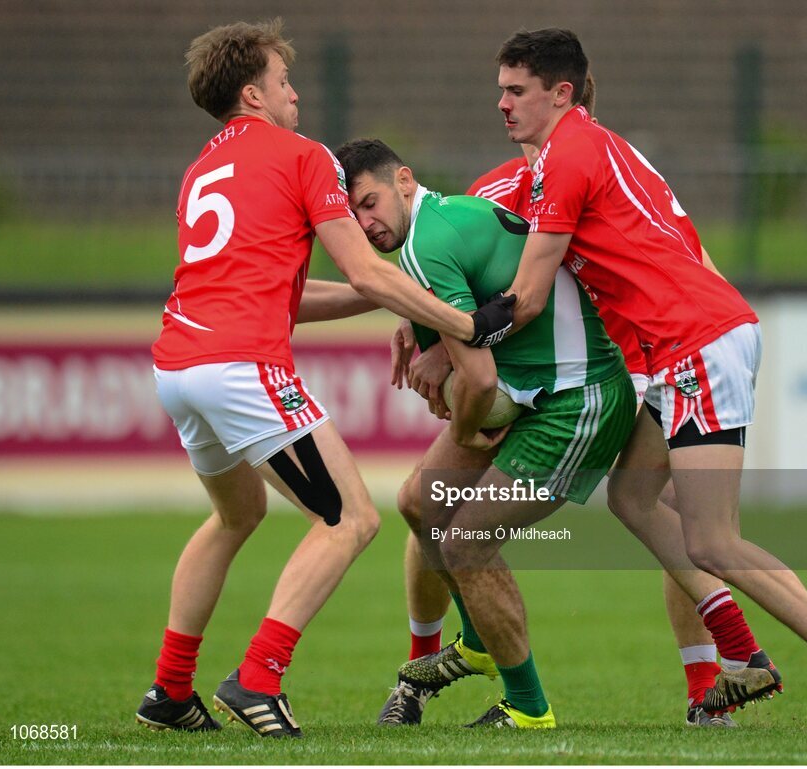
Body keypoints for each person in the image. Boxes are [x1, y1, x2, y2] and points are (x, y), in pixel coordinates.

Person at [486, 27, 807, 732]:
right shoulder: (597, 145)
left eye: (515, 90)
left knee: (714, 539)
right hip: (687, 341)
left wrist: (444, 325)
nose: (500, 103)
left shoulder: (567, 156)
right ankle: (743, 656)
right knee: (634, 494)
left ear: (560, 93)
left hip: (693, 343)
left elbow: (524, 298)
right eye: (499, 88)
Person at [134, 19, 515, 739]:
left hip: (178, 365)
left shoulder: (202, 170)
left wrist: (385, 297)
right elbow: (367, 266)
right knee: (352, 519)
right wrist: (464, 323)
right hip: (242, 366)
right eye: (283, 82)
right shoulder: (301, 156)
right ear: (253, 92)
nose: (295, 94)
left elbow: (301, 295)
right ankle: (257, 677)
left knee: (235, 514)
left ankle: (170, 689)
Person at [393, 73, 736, 728]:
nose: (521, 114)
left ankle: (707, 687)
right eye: (512, 99)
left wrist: (714, 353)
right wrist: (419, 326)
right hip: (530, 375)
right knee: (424, 496)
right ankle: (423, 669)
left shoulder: (612, 172)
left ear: (571, 107)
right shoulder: (494, 189)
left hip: (627, 366)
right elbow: (443, 274)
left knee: (672, 513)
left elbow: (692, 266)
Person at [335, 137, 637, 728]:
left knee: (466, 543)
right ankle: (475, 642)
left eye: (369, 203)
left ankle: (528, 710)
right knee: (419, 503)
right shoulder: (444, 219)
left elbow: (476, 380)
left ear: (403, 181)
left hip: (580, 401)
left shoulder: (424, 244)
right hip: (535, 393)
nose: (366, 224)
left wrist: (469, 431)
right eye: (352, 217)